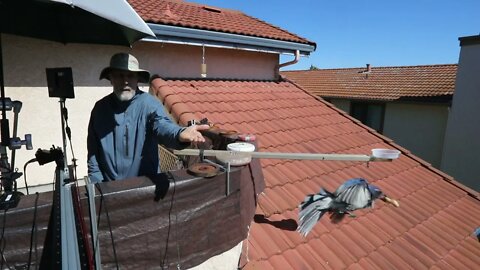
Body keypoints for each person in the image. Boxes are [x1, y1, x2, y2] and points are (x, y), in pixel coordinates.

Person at [87, 52, 208, 183]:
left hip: (144, 188)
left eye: (130, 75)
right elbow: (93, 153)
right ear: (111, 78)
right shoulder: (100, 109)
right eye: (119, 75)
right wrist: (96, 185)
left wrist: (179, 134)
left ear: (137, 79)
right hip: (110, 189)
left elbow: (163, 126)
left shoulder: (149, 104)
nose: (125, 81)